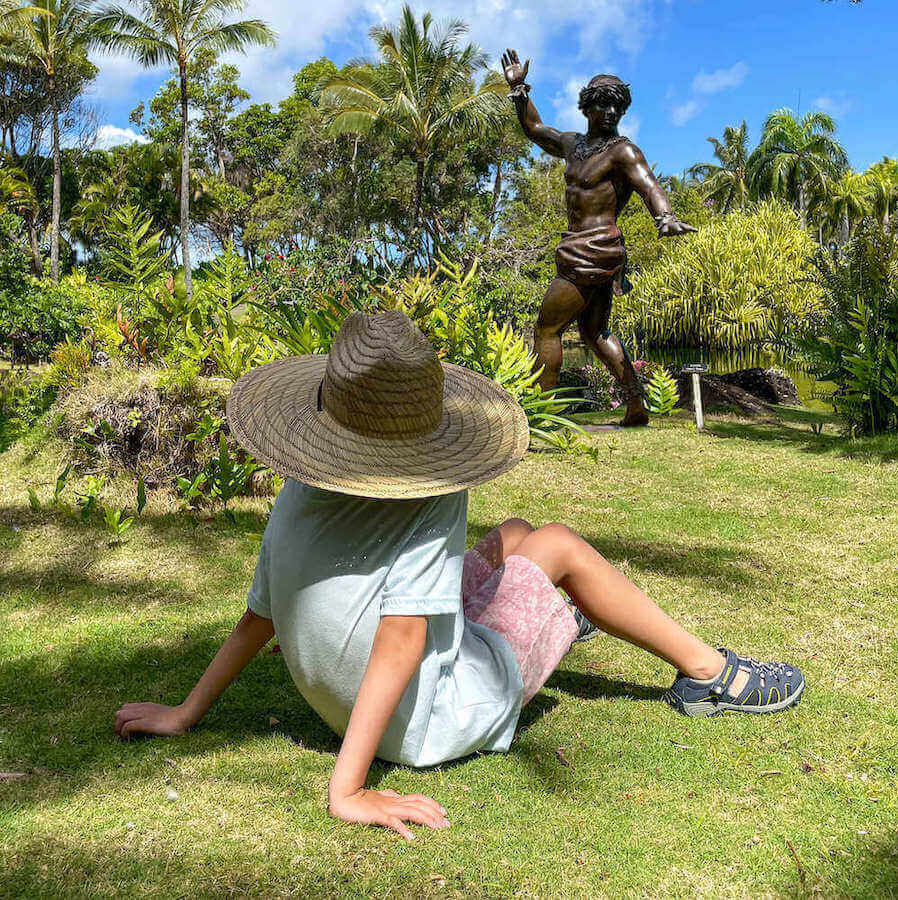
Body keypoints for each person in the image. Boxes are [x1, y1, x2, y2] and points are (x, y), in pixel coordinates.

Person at [113, 311, 804, 841]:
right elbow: (404, 638)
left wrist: (186, 712)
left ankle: (574, 616)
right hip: (428, 719)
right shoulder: (431, 487)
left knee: (513, 537)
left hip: (338, 700)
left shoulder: (302, 482)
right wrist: (346, 790)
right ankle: (712, 674)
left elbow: (257, 615)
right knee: (557, 544)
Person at [502, 49, 697, 426]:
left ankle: (542, 416)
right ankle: (636, 406)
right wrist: (520, 89)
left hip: (593, 251)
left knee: (547, 328)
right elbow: (534, 129)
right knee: (594, 332)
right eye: (604, 106)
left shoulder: (624, 151)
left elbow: (649, 185)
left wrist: (665, 216)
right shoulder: (572, 144)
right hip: (585, 249)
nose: (611, 114)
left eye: (617, 108)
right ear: (587, 107)